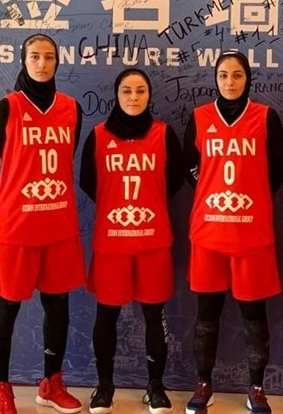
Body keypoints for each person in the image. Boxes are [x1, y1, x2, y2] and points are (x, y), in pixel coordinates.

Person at [0, 33, 85, 414]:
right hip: (17, 227)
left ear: (58, 61)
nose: (42, 63)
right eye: (35, 56)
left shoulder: (71, 108)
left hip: (58, 224)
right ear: (24, 61)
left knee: (58, 307)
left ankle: (51, 384)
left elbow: (68, 157)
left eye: (49, 57)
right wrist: (2, 205)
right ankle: (1, 390)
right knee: (6, 307)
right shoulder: (7, 108)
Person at [182, 50, 283, 414]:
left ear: (248, 78)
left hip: (251, 233)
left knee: (254, 315)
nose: (230, 82)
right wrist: (211, 190)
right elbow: (189, 165)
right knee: (206, 314)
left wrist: (252, 193)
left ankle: (256, 387)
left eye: (237, 75)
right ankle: (203, 383)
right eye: (224, 75)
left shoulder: (265, 117)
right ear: (215, 78)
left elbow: (280, 168)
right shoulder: (200, 117)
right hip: (209, 231)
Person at [79, 68, 184, 414]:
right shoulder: (98, 136)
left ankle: (155, 386)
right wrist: (118, 210)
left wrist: (145, 209)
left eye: (140, 91)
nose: (134, 97)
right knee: (106, 315)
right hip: (112, 243)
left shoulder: (164, 134)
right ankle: (104, 386)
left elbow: (174, 181)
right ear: (117, 95)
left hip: (153, 242)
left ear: (149, 95)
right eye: (127, 91)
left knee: (154, 314)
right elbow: (88, 181)